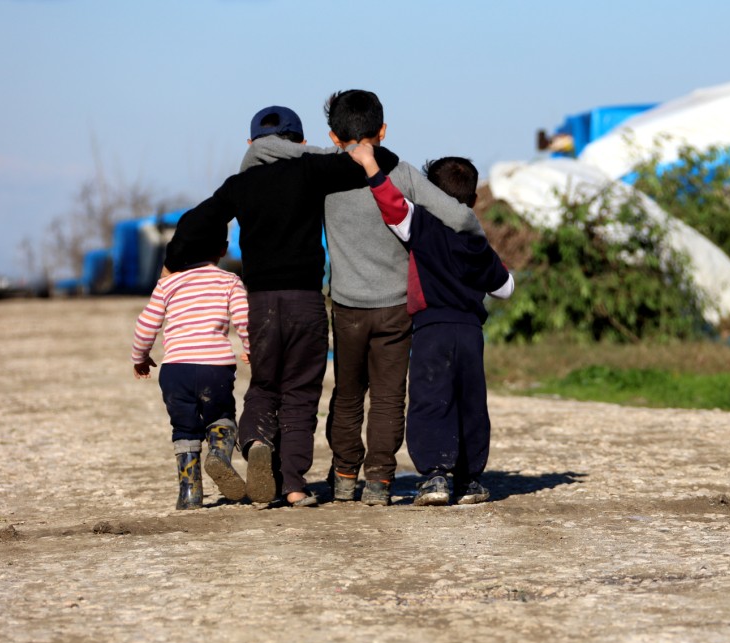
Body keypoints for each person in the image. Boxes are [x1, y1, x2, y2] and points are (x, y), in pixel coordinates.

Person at [240, 90, 487, 506]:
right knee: (389, 397)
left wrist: (263, 149)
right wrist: (479, 246)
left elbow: (274, 154)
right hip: (396, 308)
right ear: (384, 130)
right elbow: (460, 217)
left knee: (349, 394)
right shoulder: (403, 173)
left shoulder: (322, 171)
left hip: (348, 307)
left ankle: (343, 476)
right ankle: (379, 482)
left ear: (333, 136)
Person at [163, 105, 399, 508]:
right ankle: (292, 484)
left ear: (251, 144)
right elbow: (382, 159)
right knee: (301, 393)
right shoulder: (311, 169)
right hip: (305, 301)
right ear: (301, 142)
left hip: (261, 305)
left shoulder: (240, 184)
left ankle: (256, 442)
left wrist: (171, 264)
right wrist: (323, 154)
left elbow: (194, 222)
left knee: (265, 386)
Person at [348, 144, 514, 505]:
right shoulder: (475, 240)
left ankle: (435, 477)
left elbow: (392, 205)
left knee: (430, 400)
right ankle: (470, 481)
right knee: (470, 402)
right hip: (470, 332)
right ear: (471, 199)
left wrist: (371, 166)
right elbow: (505, 287)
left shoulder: (421, 225)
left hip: (430, 329)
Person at [131, 239, 250, 510]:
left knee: (184, 428)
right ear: (223, 248)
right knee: (221, 415)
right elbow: (244, 319)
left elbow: (146, 324)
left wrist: (140, 357)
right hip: (215, 369)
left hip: (176, 371)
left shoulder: (167, 284)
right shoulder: (229, 281)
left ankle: (190, 494)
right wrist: (251, 348)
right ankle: (219, 454)